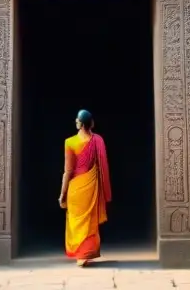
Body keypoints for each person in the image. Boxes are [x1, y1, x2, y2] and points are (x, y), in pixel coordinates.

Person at [59, 109, 112, 267]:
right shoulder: (98, 140)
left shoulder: (70, 142)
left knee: (76, 221)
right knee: (89, 222)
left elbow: (68, 171)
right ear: (92, 124)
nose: (75, 122)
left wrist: (62, 193)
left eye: (77, 120)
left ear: (80, 124)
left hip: (76, 188)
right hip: (91, 187)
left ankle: (81, 255)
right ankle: (85, 254)